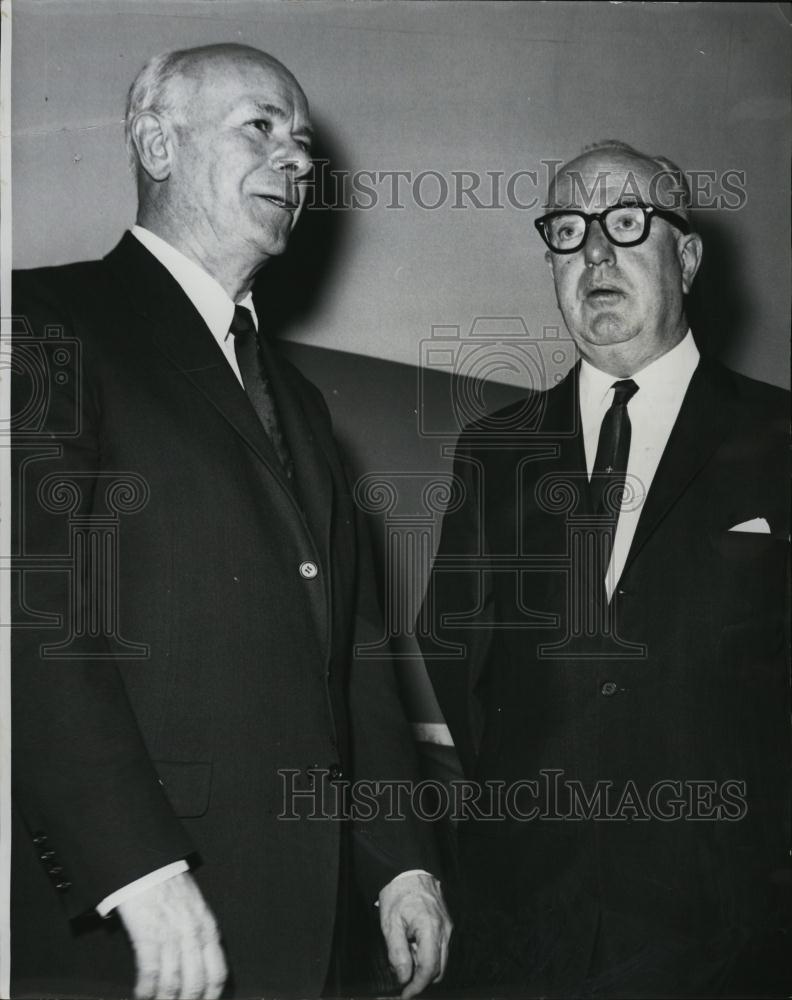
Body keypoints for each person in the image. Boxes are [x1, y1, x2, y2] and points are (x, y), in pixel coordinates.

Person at [11, 43, 451, 1000]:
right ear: (157, 144)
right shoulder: (43, 318)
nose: (295, 161)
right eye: (261, 126)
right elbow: (27, 607)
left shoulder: (297, 399)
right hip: (136, 921)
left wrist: (397, 860)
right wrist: (133, 864)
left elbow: (359, 654)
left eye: (303, 144)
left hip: (307, 918)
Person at [422, 141, 790, 996]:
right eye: (568, 230)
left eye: (627, 224)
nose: (594, 252)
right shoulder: (493, 450)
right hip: (521, 931)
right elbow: (455, 654)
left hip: (730, 935)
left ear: (687, 257)